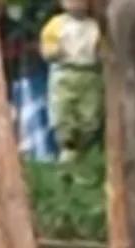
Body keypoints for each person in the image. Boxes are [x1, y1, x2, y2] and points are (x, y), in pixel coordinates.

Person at [39, 0, 104, 162]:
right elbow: (47, 49)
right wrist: (53, 51)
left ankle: (84, 148)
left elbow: (102, 49)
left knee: (89, 114)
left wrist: (101, 54)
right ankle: (67, 147)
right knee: (62, 110)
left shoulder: (95, 26)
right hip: (64, 72)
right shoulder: (56, 24)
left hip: (89, 73)